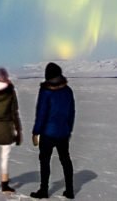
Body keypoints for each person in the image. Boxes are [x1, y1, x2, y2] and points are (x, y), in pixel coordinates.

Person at [29, 62, 75, 199]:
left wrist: (36, 132)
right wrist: (69, 129)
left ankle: (44, 190)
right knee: (65, 160)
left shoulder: (46, 91)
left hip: (47, 133)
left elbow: (41, 113)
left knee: (45, 161)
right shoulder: (68, 90)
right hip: (63, 133)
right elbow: (71, 112)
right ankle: (70, 190)